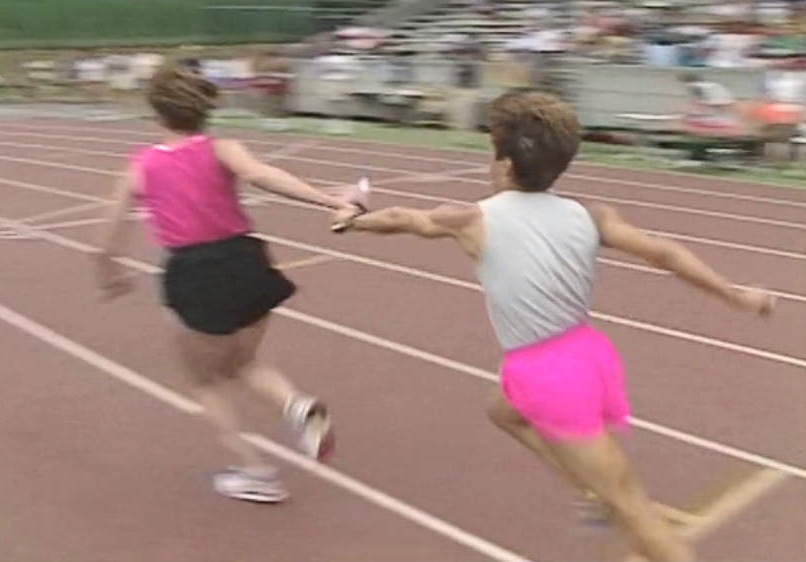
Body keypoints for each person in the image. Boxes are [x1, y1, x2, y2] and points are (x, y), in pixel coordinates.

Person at [330, 91, 775, 562]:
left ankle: (604, 497)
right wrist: (736, 294)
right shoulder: (592, 216)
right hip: (587, 352)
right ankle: (592, 489)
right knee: (502, 410)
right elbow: (663, 253)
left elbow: (404, 218)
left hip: (547, 375)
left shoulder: (473, 219)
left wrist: (351, 221)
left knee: (633, 509)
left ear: (503, 165)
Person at [93, 65, 362, 503]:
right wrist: (334, 201)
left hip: (194, 272)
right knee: (244, 362)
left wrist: (108, 272)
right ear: (202, 110)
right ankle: (297, 406)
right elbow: (263, 175)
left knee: (205, 382)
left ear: (157, 112)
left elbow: (104, 238)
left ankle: (256, 471)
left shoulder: (141, 167)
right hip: (247, 260)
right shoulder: (222, 149)